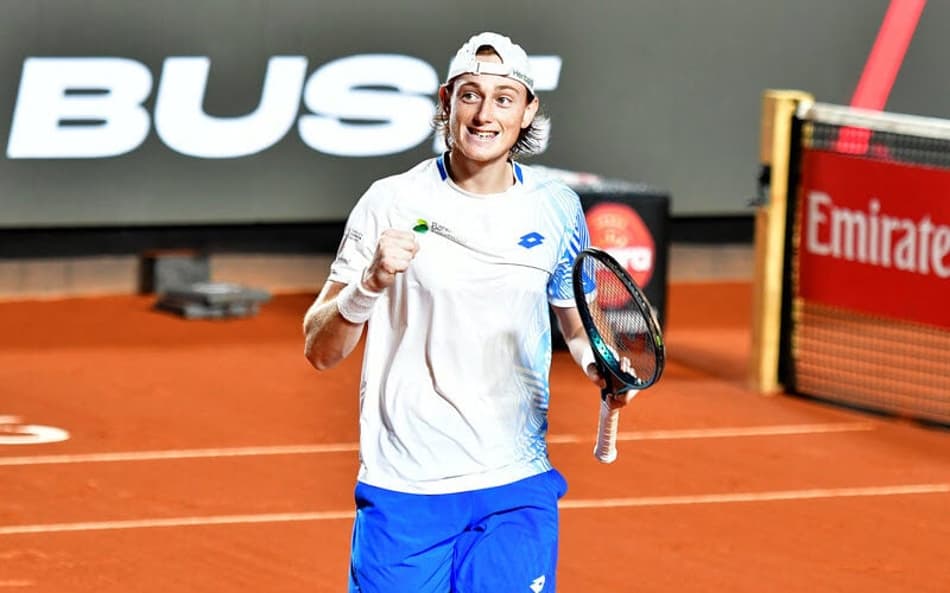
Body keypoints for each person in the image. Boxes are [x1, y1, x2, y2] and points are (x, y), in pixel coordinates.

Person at [303, 31, 633, 593]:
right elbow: (320, 348)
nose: (485, 114)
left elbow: (573, 319)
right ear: (446, 101)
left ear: (527, 111)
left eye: (504, 98)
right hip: (405, 483)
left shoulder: (556, 209)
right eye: (470, 95)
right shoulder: (390, 200)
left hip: (515, 482)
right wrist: (370, 282)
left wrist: (595, 361)